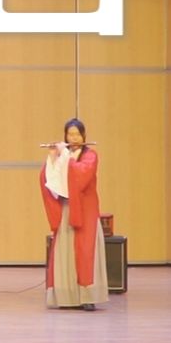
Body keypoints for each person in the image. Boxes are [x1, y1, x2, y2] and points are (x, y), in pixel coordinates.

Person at [39, 118, 108, 311]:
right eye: (70, 134)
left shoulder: (90, 155)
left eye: (77, 134)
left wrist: (65, 155)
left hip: (86, 210)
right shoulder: (64, 154)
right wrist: (53, 157)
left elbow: (82, 175)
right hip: (67, 208)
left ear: (84, 135)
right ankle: (66, 296)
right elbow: (48, 178)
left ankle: (88, 297)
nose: (74, 138)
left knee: (85, 251)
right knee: (65, 251)